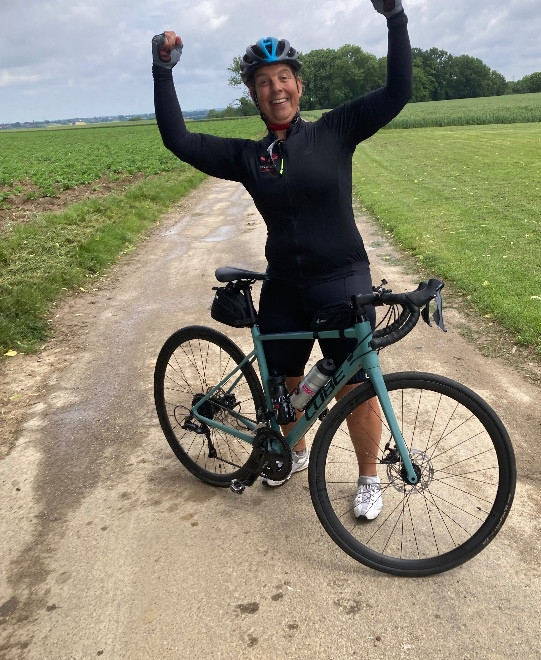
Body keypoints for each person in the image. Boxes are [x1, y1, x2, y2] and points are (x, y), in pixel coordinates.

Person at [152, 0, 412, 520]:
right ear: (255, 96)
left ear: (299, 86)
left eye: (284, 78)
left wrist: (395, 17)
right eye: (264, 82)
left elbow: (397, 91)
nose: (276, 88)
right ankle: (293, 451)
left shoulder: (336, 130)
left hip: (342, 279)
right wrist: (163, 72)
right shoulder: (250, 158)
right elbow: (179, 140)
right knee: (287, 383)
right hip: (285, 288)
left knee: (355, 385)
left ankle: (368, 477)